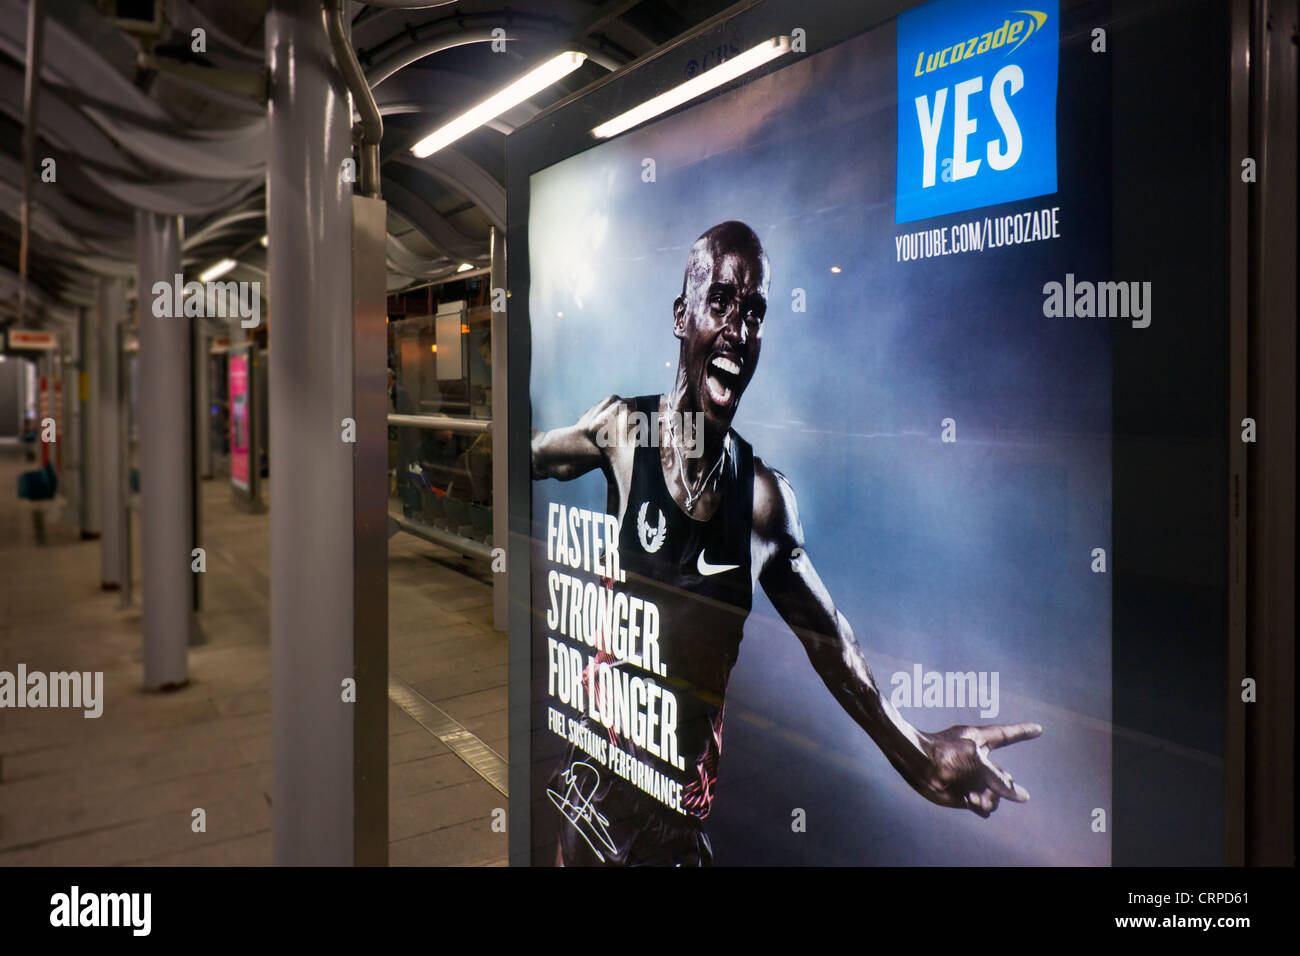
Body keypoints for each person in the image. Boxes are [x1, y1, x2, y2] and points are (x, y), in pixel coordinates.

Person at [531, 221, 1042, 866]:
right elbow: (540, 455)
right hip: (595, 797)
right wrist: (488, 452)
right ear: (680, 315)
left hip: (677, 826)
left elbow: (835, 648)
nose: (738, 333)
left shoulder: (763, 503)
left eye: (755, 314)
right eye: (720, 304)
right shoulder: (624, 432)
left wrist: (920, 756)